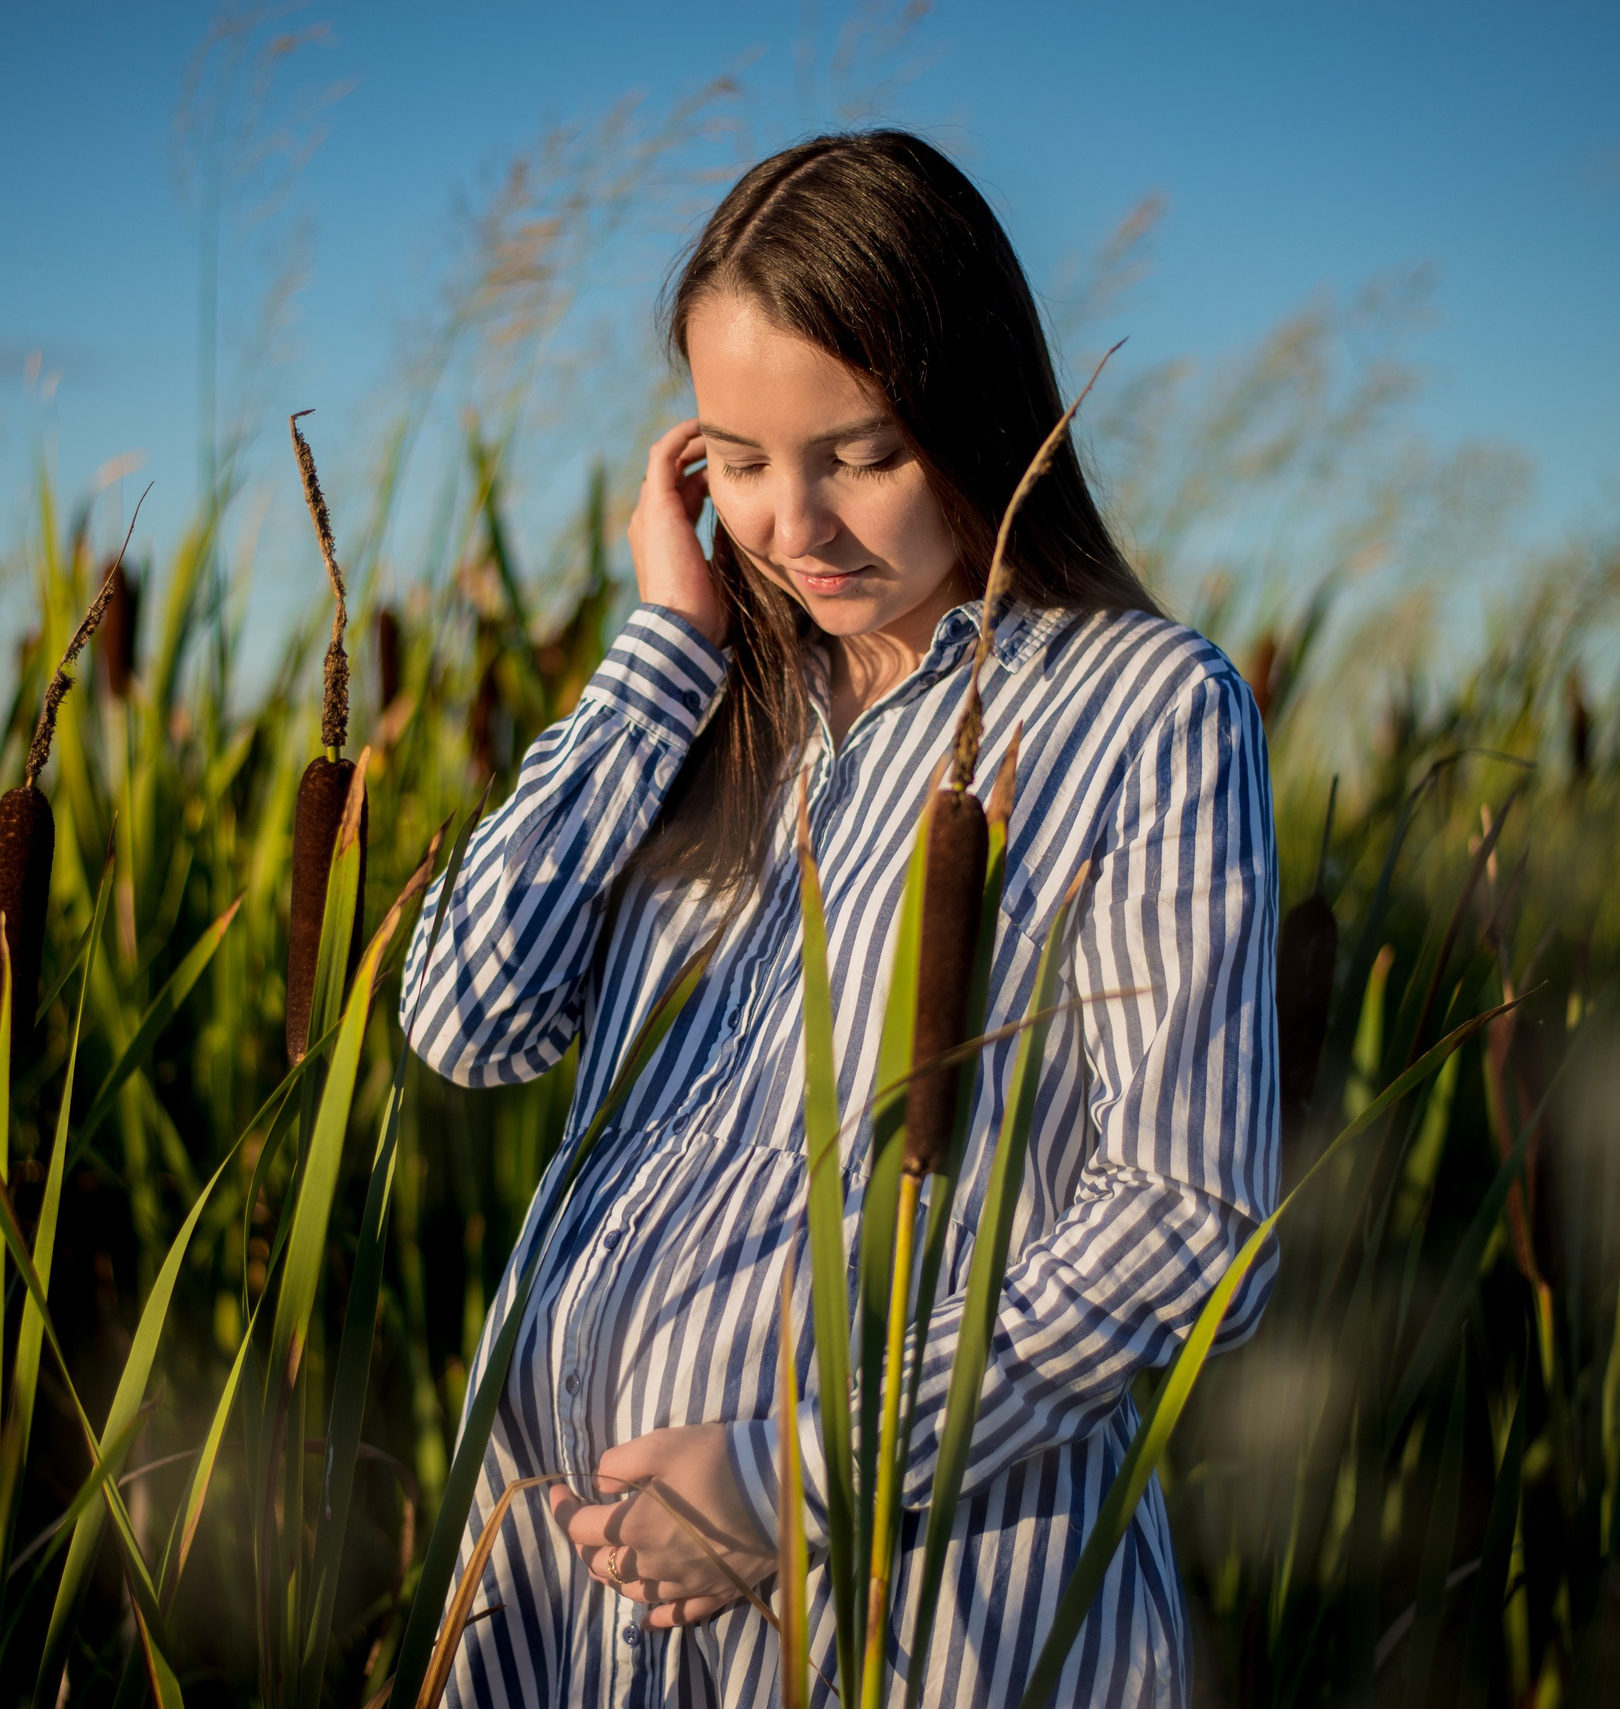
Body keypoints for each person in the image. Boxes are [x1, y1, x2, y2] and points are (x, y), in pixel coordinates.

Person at [400, 128, 1278, 1709]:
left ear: (978, 414)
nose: (792, 523)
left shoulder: (1144, 707)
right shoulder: (713, 709)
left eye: (856, 451)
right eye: (736, 460)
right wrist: (663, 640)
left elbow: (1191, 1223)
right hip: (566, 1620)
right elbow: (463, 1019)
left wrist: (791, 1472)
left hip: (913, 1606)